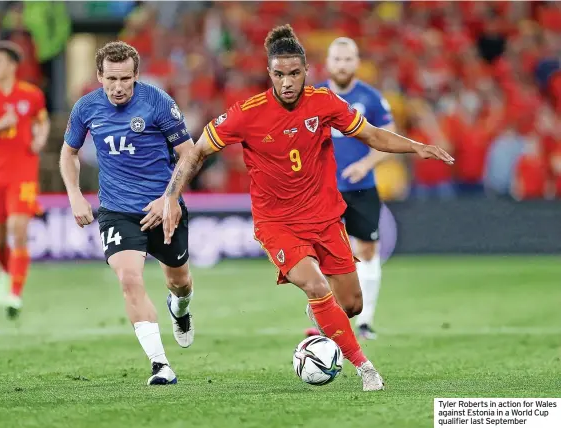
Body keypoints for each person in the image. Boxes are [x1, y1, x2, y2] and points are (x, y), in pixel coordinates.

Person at [162, 25, 453, 392]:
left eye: (294, 74)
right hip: (278, 223)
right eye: (279, 74)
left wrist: (416, 146)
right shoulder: (246, 113)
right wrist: (171, 196)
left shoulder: (324, 103)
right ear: (269, 74)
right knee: (316, 286)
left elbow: (371, 135)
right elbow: (198, 150)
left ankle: (322, 312)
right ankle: (365, 368)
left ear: (306, 72)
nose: (287, 82)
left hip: (326, 219)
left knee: (352, 305)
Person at [59, 41, 195, 385]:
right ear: (99, 76)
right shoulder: (86, 107)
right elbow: (68, 153)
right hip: (117, 210)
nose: (118, 88)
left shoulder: (158, 102)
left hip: (163, 207)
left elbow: (188, 153)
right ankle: (160, 365)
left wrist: (170, 198)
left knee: (179, 282)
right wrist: (74, 194)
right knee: (129, 279)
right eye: (111, 80)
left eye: (126, 80)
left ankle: (180, 310)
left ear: (136, 76)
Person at [305, 37, 397, 340]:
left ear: (357, 62)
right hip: (322, 190)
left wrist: (365, 165)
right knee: (318, 254)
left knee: (367, 250)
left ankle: (365, 320)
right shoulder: (313, 96)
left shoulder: (370, 98)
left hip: (361, 188)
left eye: (347, 59)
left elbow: (389, 139)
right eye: (337, 59)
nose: (342, 65)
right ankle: (326, 317)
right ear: (327, 63)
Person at [0, 41, 50, 318]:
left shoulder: (32, 94)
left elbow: (42, 121)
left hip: (22, 172)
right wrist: (1, 125)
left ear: (12, 65)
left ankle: (15, 293)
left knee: (18, 229)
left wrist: (40, 137)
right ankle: (4, 270)